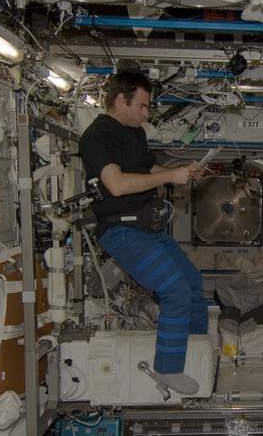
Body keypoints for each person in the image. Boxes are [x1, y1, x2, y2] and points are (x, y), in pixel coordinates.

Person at [78, 70, 209, 395]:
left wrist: (180, 173)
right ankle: (168, 369)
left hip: (146, 226)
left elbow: (146, 169)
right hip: (122, 231)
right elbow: (118, 184)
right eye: (143, 106)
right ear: (121, 100)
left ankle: (195, 348)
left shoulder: (133, 132)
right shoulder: (95, 137)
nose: (146, 113)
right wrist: (172, 176)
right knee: (175, 289)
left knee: (193, 283)